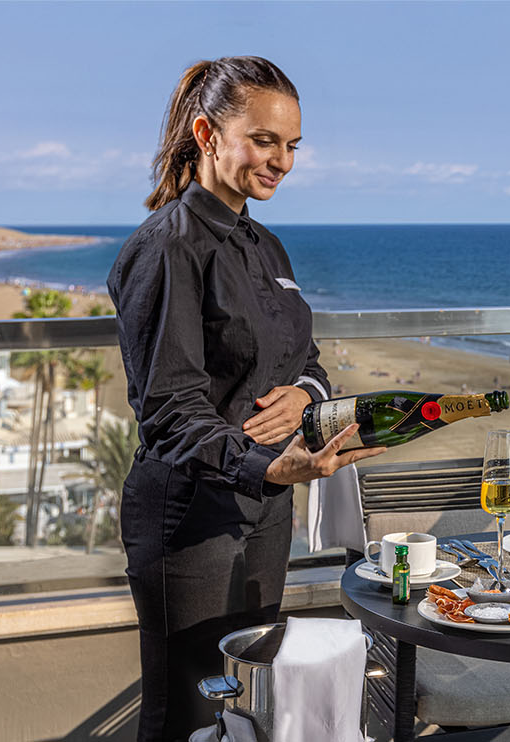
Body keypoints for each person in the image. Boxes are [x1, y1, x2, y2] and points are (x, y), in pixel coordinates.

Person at [107, 56, 387, 742]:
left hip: (264, 513)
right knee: (189, 708)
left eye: (292, 145)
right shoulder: (168, 249)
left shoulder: (268, 247)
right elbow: (169, 409)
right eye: (265, 140)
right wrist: (263, 466)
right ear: (206, 133)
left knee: (247, 704)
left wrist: (306, 396)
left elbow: (307, 362)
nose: (283, 161)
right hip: (190, 519)